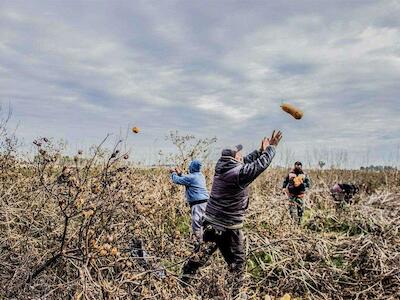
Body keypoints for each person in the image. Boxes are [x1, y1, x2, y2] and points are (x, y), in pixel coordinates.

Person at [180, 130, 282, 299]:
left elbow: (247, 162)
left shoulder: (222, 167)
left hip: (211, 223)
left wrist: (259, 151)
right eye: (240, 154)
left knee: (201, 255)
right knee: (238, 264)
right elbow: (259, 166)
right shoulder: (238, 174)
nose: (242, 156)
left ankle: (182, 282)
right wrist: (271, 148)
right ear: (235, 158)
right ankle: (234, 294)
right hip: (228, 228)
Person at [170, 160, 209, 244]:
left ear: (192, 167)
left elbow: (177, 180)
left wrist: (173, 173)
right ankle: (206, 240)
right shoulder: (200, 175)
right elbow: (187, 179)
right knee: (204, 222)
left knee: (197, 223)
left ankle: (200, 242)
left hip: (197, 204)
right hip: (205, 202)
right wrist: (180, 174)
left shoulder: (191, 178)